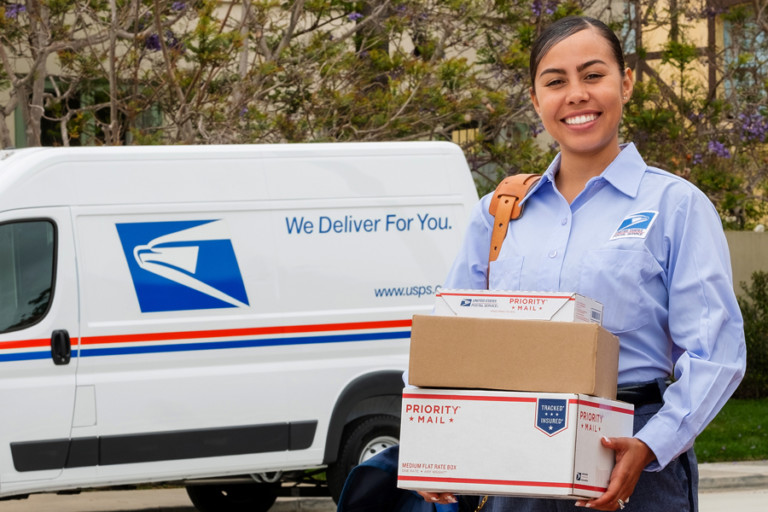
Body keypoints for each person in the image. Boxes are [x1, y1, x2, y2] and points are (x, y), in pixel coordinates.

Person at [416, 15, 746, 512]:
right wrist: (430, 441)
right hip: (515, 461)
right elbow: (450, 336)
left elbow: (717, 352)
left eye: (593, 75)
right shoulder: (499, 212)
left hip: (631, 456)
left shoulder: (676, 205)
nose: (576, 94)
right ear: (535, 100)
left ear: (626, 83)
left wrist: (653, 444)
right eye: (555, 82)